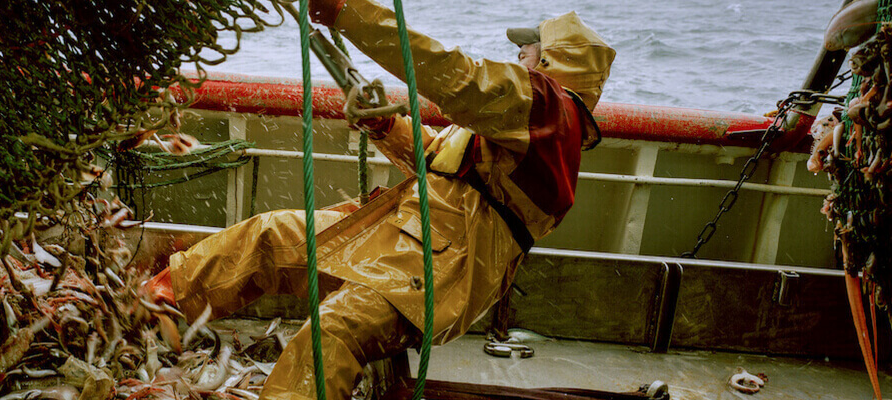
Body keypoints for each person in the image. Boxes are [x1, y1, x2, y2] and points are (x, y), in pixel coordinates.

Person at [143, 0, 615, 399]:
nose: (517, 54)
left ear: (553, 62)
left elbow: (450, 72)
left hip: (434, 275)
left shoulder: (546, 109)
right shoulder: (529, 125)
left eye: (527, 49)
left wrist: (348, 12)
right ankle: (146, 309)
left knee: (330, 336)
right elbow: (442, 157)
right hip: (395, 241)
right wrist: (386, 125)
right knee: (269, 235)